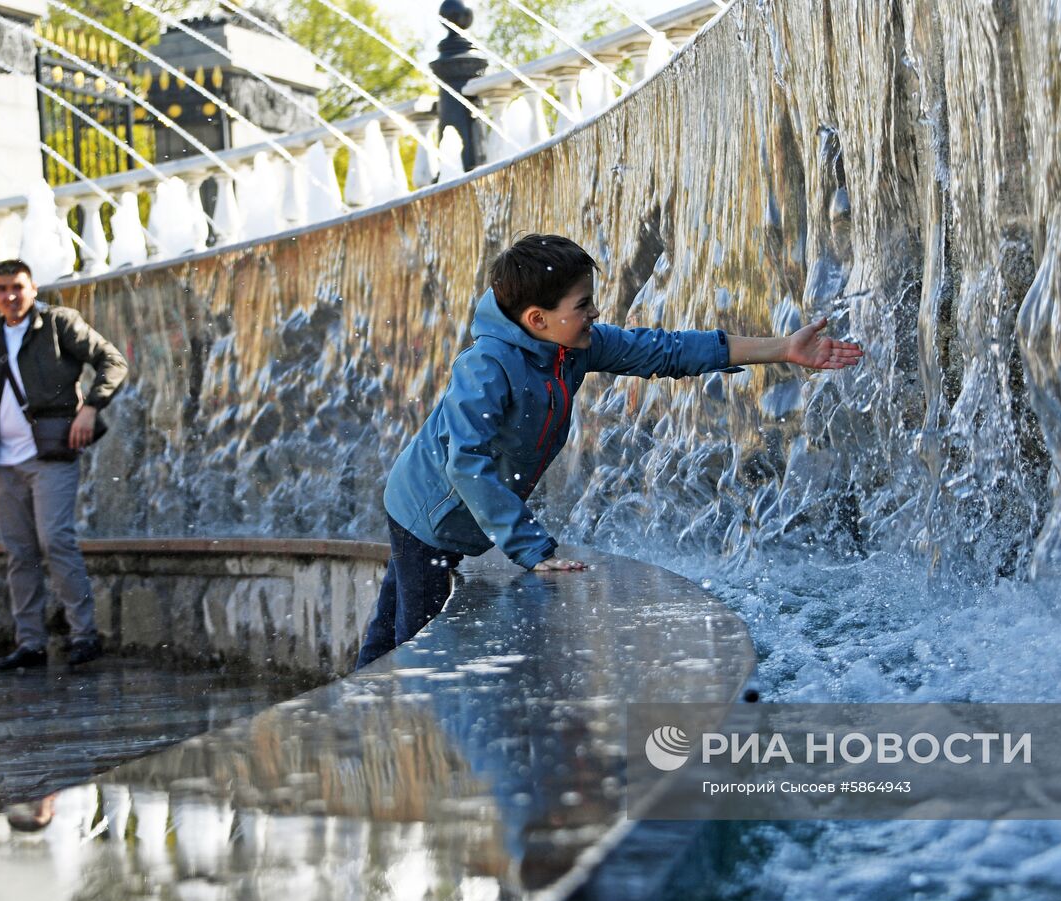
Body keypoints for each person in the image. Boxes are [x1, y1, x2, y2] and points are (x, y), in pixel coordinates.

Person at [355, 234, 862, 669]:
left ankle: (357, 718)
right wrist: (531, 549)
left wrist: (782, 348)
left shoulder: (570, 346)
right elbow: (466, 462)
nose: (595, 313)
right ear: (538, 318)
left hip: (456, 513)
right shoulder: (486, 367)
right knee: (416, 642)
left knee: (394, 626)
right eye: (582, 305)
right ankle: (398, 734)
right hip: (428, 514)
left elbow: (665, 350)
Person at [0, 259, 129, 670]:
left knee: (56, 540)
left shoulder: (58, 323)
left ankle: (84, 635)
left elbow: (113, 360)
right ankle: (30, 642)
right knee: (20, 552)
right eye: (1, 289)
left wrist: (91, 407)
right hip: (4, 460)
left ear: (33, 288)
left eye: (17, 287)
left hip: (50, 452)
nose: (10, 296)